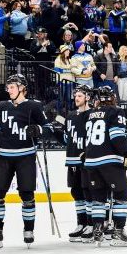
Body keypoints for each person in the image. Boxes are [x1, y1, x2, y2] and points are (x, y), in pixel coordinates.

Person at [0, 74, 48, 248]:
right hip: (4, 156)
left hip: (26, 156)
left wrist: (38, 129)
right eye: (8, 87)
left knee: (27, 195)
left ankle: (28, 230)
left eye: (12, 87)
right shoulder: (2, 106)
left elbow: (48, 128)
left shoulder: (34, 106)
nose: (9, 90)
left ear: (22, 88)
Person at [83, 86, 127, 246]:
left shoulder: (90, 114)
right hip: (109, 160)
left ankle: (98, 231)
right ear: (112, 97)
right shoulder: (116, 111)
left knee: (98, 198)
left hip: (91, 162)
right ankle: (118, 232)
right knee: (121, 194)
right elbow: (117, 136)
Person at [54, 85, 91, 241]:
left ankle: (91, 224)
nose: (76, 98)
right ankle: (81, 223)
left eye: (80, 96)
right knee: (76, 193)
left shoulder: (92, 115)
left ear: (87, 97)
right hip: (72, 159)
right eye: (75, 96)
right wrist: (55, 131)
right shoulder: (70, 116)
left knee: (88, 192)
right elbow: (67, 139)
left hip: (87, 160)